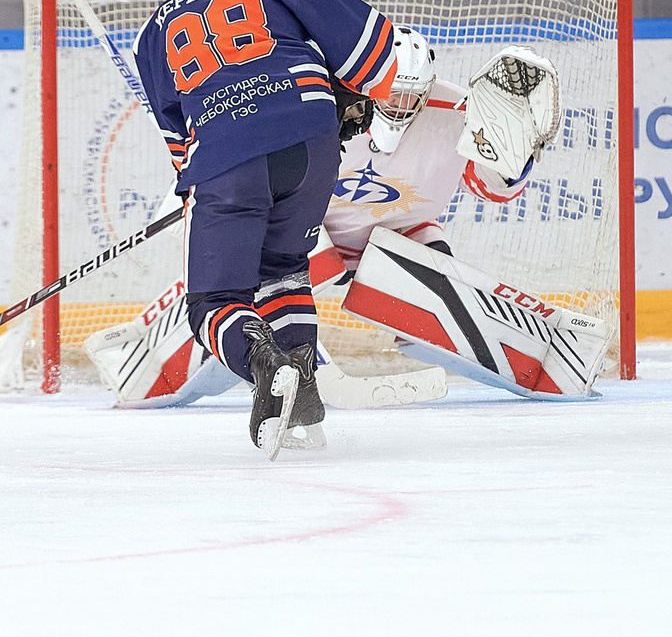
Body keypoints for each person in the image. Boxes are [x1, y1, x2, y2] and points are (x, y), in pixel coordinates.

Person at [90, 25, 588, 407]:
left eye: (411, 95)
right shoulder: (319, 105)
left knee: (433, 305)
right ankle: (208, 361)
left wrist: (516, 155)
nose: (398, 105)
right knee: (261, 280)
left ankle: (546, 364)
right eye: (390, 90)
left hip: (400, 235)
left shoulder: (457, 110)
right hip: (309, 233)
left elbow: (490, 185)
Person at [131, 0, 400, 453]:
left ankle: (262, 364)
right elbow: (380, 60)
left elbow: (181, 145)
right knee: (282, 266)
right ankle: (302, 409)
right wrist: (340, 90)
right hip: (310, 139)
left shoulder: (153, 32)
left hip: (226, 155)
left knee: (214, 303)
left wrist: (206, 193)